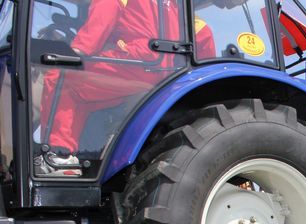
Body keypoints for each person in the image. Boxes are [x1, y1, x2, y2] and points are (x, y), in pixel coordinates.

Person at [36, 0, 217, 177]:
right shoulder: (179, 10)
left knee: (60, 75)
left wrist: (79, 49)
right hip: (161, 74)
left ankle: (58, 155)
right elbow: (204, 38)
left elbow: (106, 10)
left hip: (135, 60)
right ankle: (70, 158)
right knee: (80, 97)